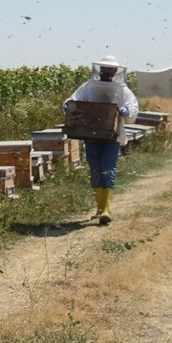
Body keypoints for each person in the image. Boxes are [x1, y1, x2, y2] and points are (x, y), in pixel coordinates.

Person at [64, 55, 140, 226]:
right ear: (100, 69)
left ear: (115, 71)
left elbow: (133, 105)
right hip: (91, 135)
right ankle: (99, 208)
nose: (108, 71)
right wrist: (67, 104)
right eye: (105, 68)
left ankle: (106, 209)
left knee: (108, 168)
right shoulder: (89, 86)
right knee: (95, 169)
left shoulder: (122, 89)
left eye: (111, 69)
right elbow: (74, 99)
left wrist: (127, 110)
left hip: (112, 136)